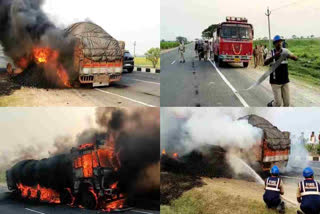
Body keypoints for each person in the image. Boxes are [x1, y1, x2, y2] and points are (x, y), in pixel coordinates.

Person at [265, 35, 298, 107]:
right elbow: (265, 63)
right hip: (275, 81)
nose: (279, 43)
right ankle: (272, 104)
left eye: (280, 41)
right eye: (277, 42)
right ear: (274, 44)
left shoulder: (286, 51)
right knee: (278, 104)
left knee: (287, 103)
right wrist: (274, 57)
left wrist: (291, 56)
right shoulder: (271, 52)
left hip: (285, 81)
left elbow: (296, 58)